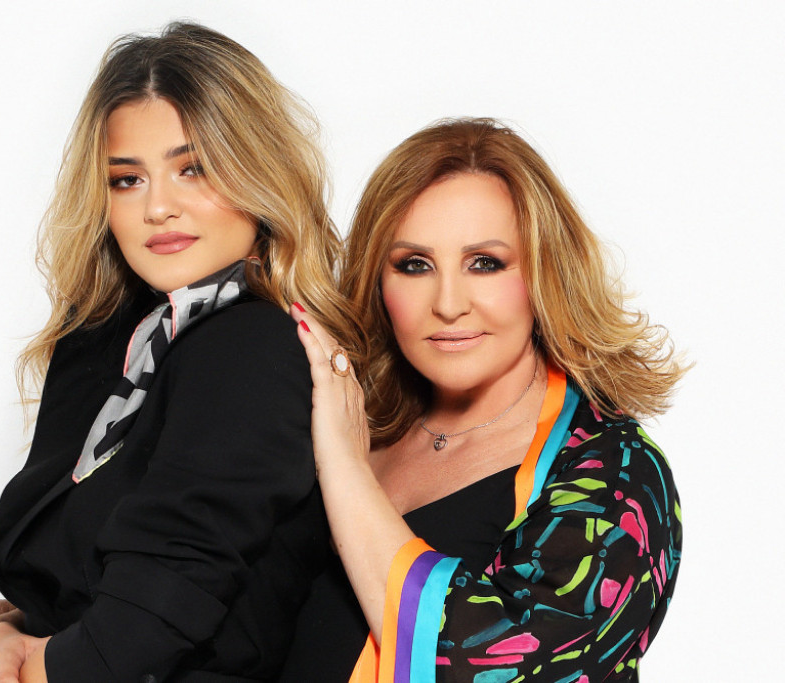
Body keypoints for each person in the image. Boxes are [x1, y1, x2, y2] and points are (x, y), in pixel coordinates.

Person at [0, 22, 358, 682]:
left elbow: (150, 616)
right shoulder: (101, 341)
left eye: (192, 168)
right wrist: (3, 633)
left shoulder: (257, 346)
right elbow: (60, 583)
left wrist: (19, 662)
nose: (158, 207)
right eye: (127, 179)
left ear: (258, 171)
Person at [282, 118, 685, 682]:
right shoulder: (350, 427)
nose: (448, 304)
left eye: (485, 263)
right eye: (414, 265)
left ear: (546, 273)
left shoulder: (615, 473)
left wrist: (345, 469)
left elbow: (486, 666)